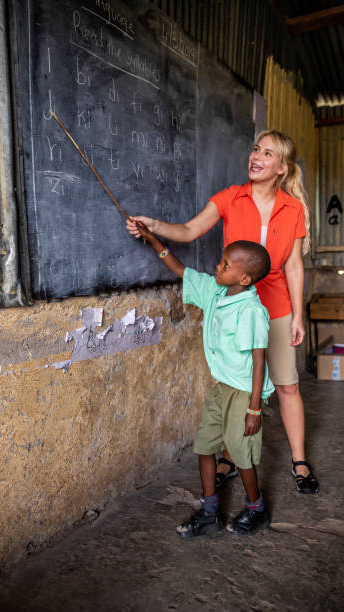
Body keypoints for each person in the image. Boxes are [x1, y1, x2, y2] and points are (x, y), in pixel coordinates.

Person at [127, 130, 319, 494]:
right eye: (255, 149)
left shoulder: (292, 208)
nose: (256, 157)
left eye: (267, 154)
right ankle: (230, 458)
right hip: (233, 308)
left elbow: (294, 265)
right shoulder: (231, 198)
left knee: (288, 386)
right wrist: (153, 226)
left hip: (275, 306)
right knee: (233, 386)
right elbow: (187, 231)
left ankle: (299, 459)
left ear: (282, 168)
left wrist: (296, 315)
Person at [135, 220, 274, 536]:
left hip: (244, 392)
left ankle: (257, 508)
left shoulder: (250, 309)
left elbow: (258, 360)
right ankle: (209, 510)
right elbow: (181, 270)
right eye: (221, 261)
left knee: (242, 456)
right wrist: (152, 239)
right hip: (222, 388)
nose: (217, 266)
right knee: (204, 446)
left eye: (225, 264)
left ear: (244, 278)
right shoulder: (216, 289)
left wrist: (254, 409)